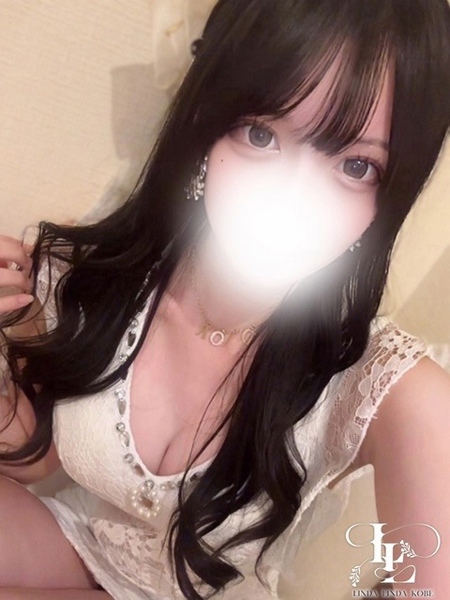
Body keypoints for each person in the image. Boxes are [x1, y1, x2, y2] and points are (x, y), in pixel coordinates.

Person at [0, 0, 450, 598]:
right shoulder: (100, 278)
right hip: (80, 548)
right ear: (205, 128)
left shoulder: (385, 389)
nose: (292, 201)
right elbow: (36, 461)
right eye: (261, 134)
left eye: (356, 166)